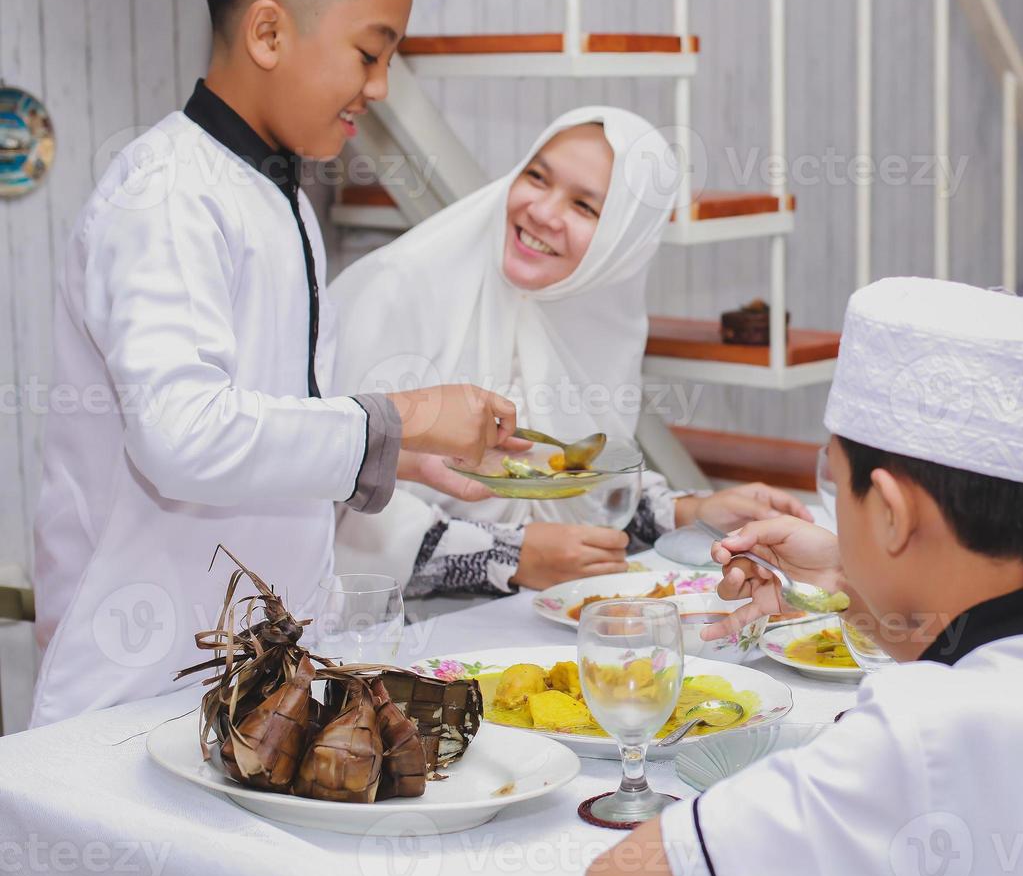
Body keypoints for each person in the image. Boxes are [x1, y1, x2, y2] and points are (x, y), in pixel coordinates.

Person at [29, 0, 519, 727]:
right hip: (134, 686)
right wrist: (399, 417)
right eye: (370, 52)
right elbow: (182, 436)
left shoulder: (277, 195)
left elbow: (264, 416)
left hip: (245, 683)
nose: (381, 87)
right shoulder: (166, 193)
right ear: (267, 34)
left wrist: (395, 451)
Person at [583, 279, 1023, 876]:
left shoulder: (912, 733)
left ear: (891, 513)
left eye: (838, 485)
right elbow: (964, 635)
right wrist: (848, 582)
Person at [329, 109, 810, 600]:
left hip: (528, 623)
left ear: (622, 242)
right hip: (388, 637)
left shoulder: (592, 316)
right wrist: (510, 556)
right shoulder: (398, 290)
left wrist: (692, 512)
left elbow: (573, 480)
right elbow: (327, 495)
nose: (542, 212)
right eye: (537, 177)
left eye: (585, 207)